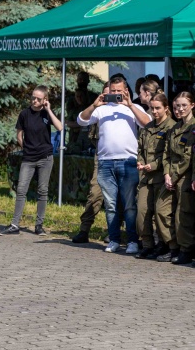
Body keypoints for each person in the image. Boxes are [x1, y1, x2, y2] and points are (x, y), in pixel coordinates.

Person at [77, 77, 152, 253]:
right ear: (108, 90)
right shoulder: (101, 109)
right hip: (105, 163)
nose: (116, 94)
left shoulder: (134, 108)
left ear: (125, 90)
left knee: (129, 205)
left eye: (119, 91)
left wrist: (130, 105)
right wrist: (95, 105)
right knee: (110, 205)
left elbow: (148, 123)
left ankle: (133, 241)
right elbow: (81, 120)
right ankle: (114, 239)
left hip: (128, 161)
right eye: (113, 91)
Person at [0, 85, 63, 236]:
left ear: (45, 100)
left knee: (42, 190)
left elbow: (60, 127)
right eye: (33, 97)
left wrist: (48, 110)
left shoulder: (46, 114)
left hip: (45, 158)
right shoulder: (24, 114)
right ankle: (15, 224)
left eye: (38, 99)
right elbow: (19, 135)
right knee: (21, 189)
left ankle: (39, 225)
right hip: (28, 158)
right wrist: (26, 148)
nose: (34, 101)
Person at [71, 82, 112, 244]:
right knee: (95, 193)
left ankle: (114, 232)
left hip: (123, 158)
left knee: (119, 199)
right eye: (106, 94)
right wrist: (95, 105)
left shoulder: (127, 110)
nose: (110, 98)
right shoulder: (98, 111)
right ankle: (84, 229)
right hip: (101, 157)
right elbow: (81, 120)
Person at [136, 92, 175, 259]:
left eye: (158, 108)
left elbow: (168, 154)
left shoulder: (171, 127)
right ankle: (147, 245)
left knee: (161, 213)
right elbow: (140, 149)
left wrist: (152, 165)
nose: (154, 111)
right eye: (151, 108)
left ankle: (166, 245)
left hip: (161, 176)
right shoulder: (148, 127)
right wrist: (140, 161)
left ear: (166, 108)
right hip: (146, 177)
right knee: (142, 212)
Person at [163, 92, 195, 264]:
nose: (179, 109)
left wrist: (173, 176)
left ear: (192, 105)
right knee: (164, 210)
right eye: (176, 106)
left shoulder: (193, 127)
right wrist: (167, 174)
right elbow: (166, 154)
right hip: (172, 176)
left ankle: (186, 249)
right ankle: (171, 246)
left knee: (183, 214)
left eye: (183, 105)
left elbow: (188, 157)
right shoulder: (174, 129)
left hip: (185, 176)